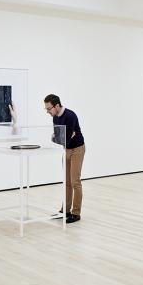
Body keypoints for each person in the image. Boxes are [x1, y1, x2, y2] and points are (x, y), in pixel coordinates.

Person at [44, 94, 85, 223]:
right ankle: (65, 210)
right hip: (66, 149)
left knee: (75, 181)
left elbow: (64, 138)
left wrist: (60, 138)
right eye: (46, 109)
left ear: (57, 106)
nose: (47, 112)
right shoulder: (55, 117)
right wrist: (59, 138)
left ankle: (76, 213)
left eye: (49, 108)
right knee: (67, 181)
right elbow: (59, 138)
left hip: (77, 149)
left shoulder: (70, 116)